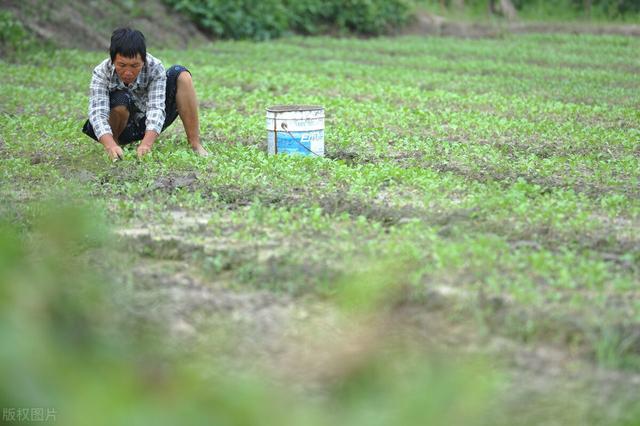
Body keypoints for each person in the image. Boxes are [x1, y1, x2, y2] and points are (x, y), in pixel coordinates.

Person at [82, 27, 208, 160]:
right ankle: (116, 147)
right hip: (118, 125)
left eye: (135, 65)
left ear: (144, 59)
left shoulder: (155, 67)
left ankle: (195, 144)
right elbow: (97, 113)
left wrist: (146, 144)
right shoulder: (101, 71)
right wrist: (110, 145)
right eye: (122, 65)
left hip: (145, 123)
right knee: (120, 98)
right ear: (112, 60)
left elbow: (156, 108)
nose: (128, 72)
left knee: (181, 74)